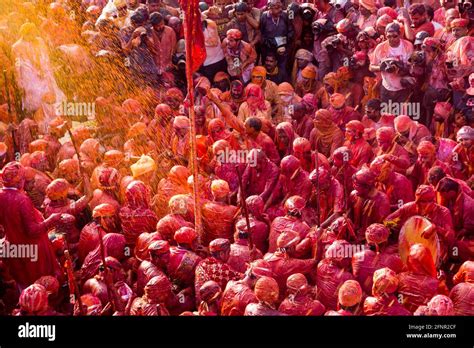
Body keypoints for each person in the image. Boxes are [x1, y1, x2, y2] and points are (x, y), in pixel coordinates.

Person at [0, 162, 62, 288]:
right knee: (41, 285)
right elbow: (32, 231)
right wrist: (51, 220)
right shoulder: (21, 199)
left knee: (23, 283)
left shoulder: (1, 195)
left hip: (13, 247)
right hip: (32, 250)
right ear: (20, 181)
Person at [370, 22, 414, 103]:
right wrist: (382, 67)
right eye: (388, 36)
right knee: (387, 114)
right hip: (387, 88)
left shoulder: (408, 46)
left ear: (400, 34)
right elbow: (371, 67)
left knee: (401, 114)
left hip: (403, 89)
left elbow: (412, 67)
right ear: (385, 35)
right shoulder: (380, 48)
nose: (391, 39)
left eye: (394, 36)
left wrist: (401, 68)